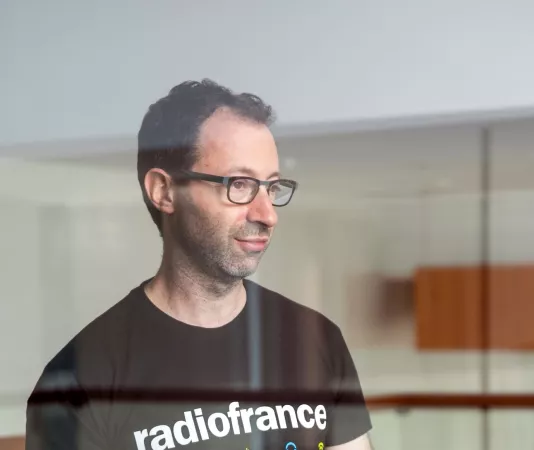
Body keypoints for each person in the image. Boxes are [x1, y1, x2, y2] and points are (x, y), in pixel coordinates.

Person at [25, 79, 373, 450]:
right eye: (239, 184)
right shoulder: (79, 381)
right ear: (164, 191)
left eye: (271, 187)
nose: (267, 214)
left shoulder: (316, 339)